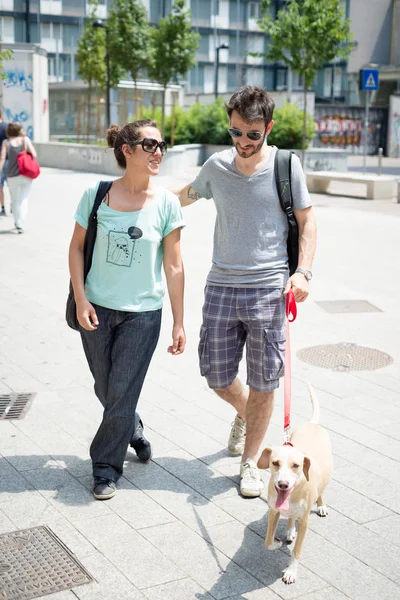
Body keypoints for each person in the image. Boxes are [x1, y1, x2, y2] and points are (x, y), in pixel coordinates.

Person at [174, 86, 316, 498]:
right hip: (220, 285)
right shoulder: (217, 167)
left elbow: (308, 222)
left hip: (270, 289)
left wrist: (303, 272)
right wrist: (131, 194)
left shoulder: (286, 167)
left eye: (253, 135)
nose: (243, 142)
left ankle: (251, 463)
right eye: (236, 132)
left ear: (268, 128)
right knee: (216, 376)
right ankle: (246, 414)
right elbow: (181, 198)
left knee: (264, 383)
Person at [69, 119, 186, 500]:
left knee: (120, 390)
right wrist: (81, 297)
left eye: (161, 145)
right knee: (107, 387)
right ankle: (131, 426)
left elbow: (174, 264)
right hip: (97, 310)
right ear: (127, 150)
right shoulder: (97, 194)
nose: (158, 152)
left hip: (143, 315)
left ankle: (105, 468)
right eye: (150, 145)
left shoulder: (167, 203)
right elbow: (75, 248)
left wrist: (179, 322)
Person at [0, 122, 37, 233]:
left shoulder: (6, 142)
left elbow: (2, 158)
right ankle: (21, 222)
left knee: (15, 199)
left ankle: (18, 222)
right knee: (24, 198)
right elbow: (34, 154)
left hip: (12, 175)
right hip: (25, 173)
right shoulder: (25, 140)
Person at [0, 110, 8, 216]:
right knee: (12, 186)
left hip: (1, 161)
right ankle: (14, 206)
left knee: (0, 186)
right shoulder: (7, 126)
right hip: (10, 160)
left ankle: (3, 207)